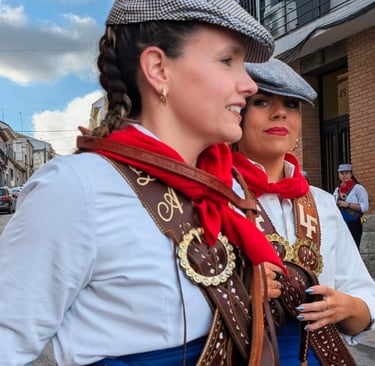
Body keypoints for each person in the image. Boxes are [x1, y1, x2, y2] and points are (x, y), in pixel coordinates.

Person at [0, 1, 286, 365]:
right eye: (227, 61)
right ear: (158, 69)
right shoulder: (77, 189)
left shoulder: (226, 187)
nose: (248, 85)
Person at [231, 58, 375, 365]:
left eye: (292, 104)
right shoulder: (215, 195)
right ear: (236, 113)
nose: (281, 112)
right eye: (262, 101)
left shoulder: (322, 203)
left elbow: (364, 299)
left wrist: (346, 307)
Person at [333, 163, 369, 248]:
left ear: (351, 174)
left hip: (354, 223)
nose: (344, 175)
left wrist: (348, 204)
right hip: (340, 223)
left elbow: (365, 207)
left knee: (354, 248)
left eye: (346, 173)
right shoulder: (337, 189)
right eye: (341, 173)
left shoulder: (358, 188)